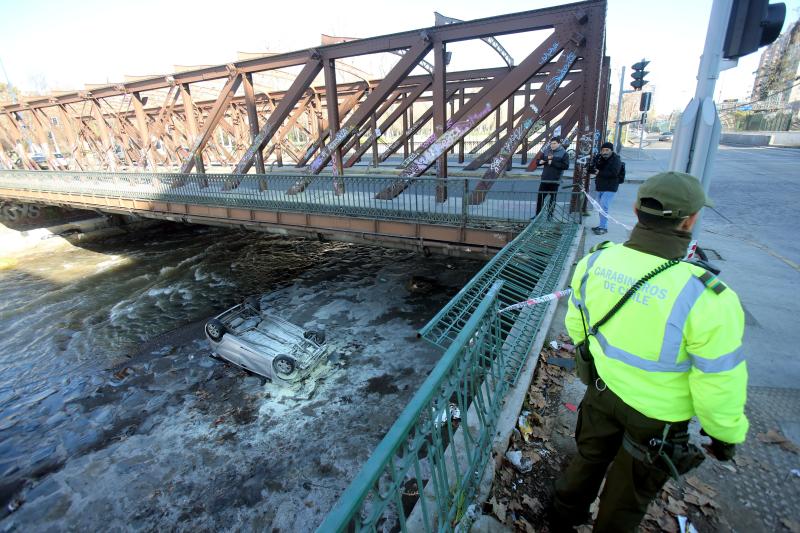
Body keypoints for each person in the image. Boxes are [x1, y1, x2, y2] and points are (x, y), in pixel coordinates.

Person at [550, 171, 748, 533]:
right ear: (690, 220)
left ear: (637, 209)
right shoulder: (706, 296)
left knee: (587, 460)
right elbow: (718, 381)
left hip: (601, 392)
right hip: (657, 418)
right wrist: (725, 435)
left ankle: (561, 517)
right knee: (627, 493)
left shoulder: (596, 262)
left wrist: (591, 366)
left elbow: (578, 323)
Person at [587, 142, 623, 235]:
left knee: (604, 207)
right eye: (603, 150)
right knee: (600, 208)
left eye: (607, 150)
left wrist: (599, 172)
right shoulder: (599, 158)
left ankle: (603, 227)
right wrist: (591, 166)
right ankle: (601, 225)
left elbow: (614, 173)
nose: (604, 152)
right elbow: (592, 169)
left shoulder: (616, 160)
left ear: (611, 150)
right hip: (600, 186)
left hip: (610, 187)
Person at [535, 137, 570, 216]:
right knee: (540, 198)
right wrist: (540, 162)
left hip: (555, 180)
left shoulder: (564, 153)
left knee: (552, 199)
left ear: (559, 144)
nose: (552, 145)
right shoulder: (547, 151)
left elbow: (566, 166)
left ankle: (550, 216)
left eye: (554, 143)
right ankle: (537, 216)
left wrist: (553, 163)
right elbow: (538, 161)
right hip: (545, 179)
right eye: (551, 143)